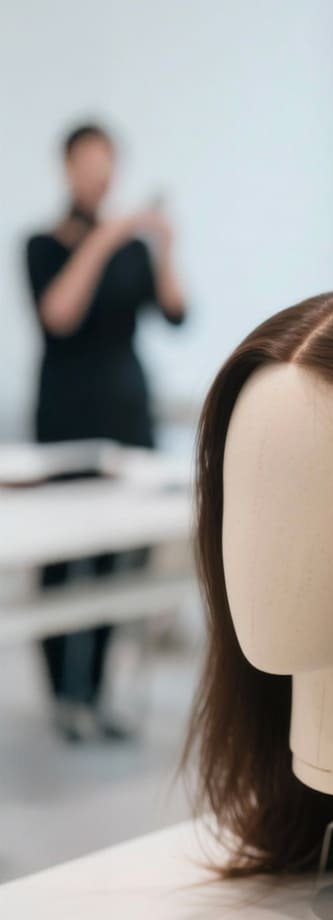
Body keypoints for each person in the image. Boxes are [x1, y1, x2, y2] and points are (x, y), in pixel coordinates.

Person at [26, 123, 186, 743]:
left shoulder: (135, 248)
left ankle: (95, 691)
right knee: (62, 555)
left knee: (121, 553)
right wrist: (106, 236)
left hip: (127, 411)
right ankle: (63, 697)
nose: (99, 174)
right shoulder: (42, 243)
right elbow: (58, 315)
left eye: (107, 164)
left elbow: (175, 313)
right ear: (67, 167)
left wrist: (164, 246)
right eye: (88, 163)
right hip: (66, 414)